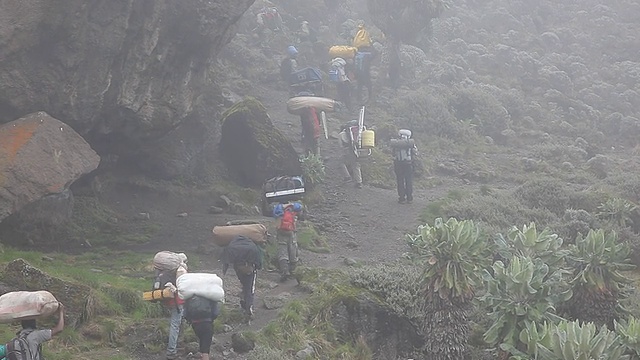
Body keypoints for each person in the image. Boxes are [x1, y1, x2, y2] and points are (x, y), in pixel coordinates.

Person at [155, 256, 188, 360]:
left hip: (169, 301)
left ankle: (179, 344)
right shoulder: (181, 271)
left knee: (179, 323)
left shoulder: (165, 272)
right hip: (178, 302)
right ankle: (171, 351)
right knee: (175, 325)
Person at [221, 235, 263, 317]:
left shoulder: (232, 246)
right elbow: (258, 259)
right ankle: (249, 306)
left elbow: (226, 260)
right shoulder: (252, 246)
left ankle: (244, 301)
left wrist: (224, 271)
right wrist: (258, 267)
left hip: (238, 268)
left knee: (244, 283)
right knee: (250, 287)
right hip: (249, 268)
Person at [183, 295, 221, 360]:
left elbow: (185, 314)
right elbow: (215, 312)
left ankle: (202, 356)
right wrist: (211, 319)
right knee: (205, 349)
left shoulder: (190, 297)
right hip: (207, 323)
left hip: (195, 324)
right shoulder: (210, 295)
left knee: (202, 342)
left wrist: (191, 320)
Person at [273, 202, 303, 281]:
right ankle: (293, 271)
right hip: (291, 232)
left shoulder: (279, 208)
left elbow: (275, 216)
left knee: (283, 251)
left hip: (281, 232)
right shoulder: (294, 207)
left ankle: (284, 271)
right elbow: (300, 212)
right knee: (293, 249)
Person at [391, 129, 418, 204]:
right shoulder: (410, 143)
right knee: (408, 180)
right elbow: (415, 152)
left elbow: (393, 153)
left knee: (400, 180)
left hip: (398, 163)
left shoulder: (396, 143)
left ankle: (401, 198)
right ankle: (409, 198)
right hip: (408, 163)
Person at [338, 121, 363, 188]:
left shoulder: (341, 134)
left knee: (341, 163)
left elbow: (340, 146)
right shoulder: (357, 132)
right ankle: (359, 182)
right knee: (356, 166)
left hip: (347, 151)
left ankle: (347, 177)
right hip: (356, 151)